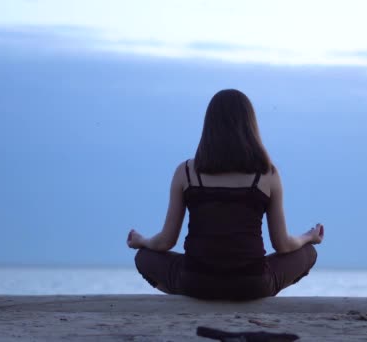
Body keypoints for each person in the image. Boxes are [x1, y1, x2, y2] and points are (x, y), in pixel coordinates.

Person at [127, 89, 324, 300]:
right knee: (308, 253)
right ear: (250, 126)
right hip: (252, 285)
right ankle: (248, 296)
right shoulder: (267, 174)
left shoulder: (186, 172)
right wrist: (308, 237)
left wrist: (142, 241)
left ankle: (191, 298)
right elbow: (282, 245)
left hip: (196, 282)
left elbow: (165, 242)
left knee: (144, 257)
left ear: (209, 126)